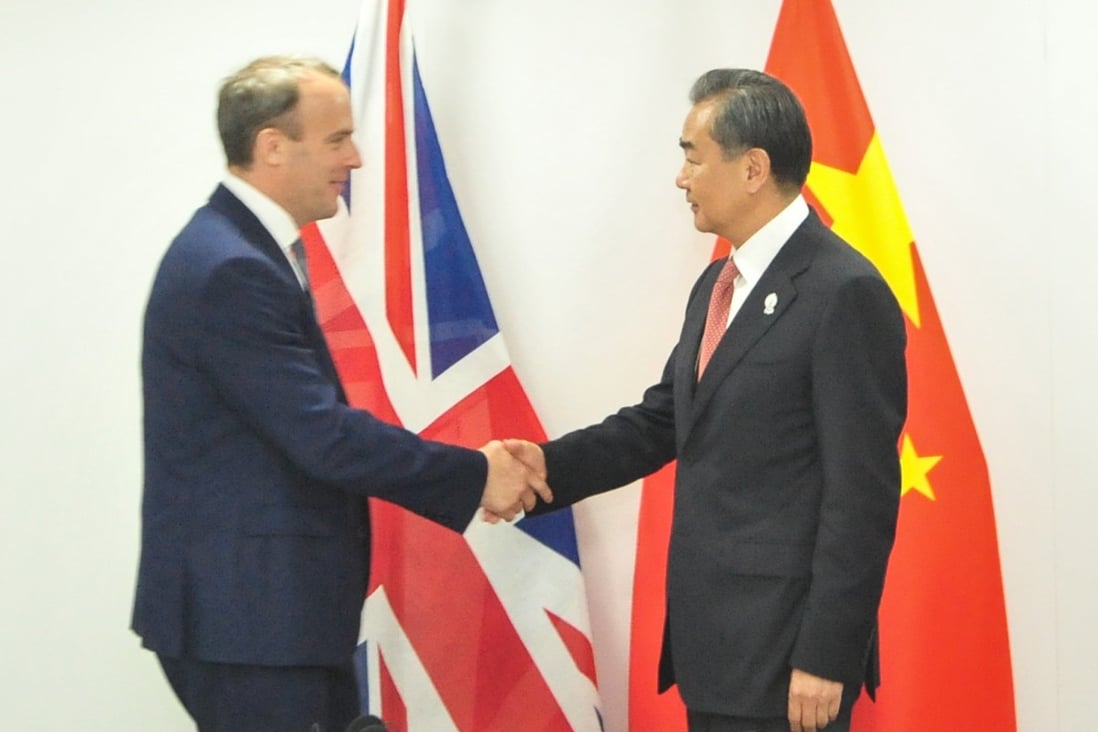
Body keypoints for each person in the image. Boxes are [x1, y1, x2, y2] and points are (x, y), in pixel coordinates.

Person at [131, 55, 550, 732]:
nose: (354, 159)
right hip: (252, 622)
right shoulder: (230, 268)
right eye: (337, 140)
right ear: (273, 146)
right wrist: (477, 476)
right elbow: (323, 436)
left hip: (272, 619)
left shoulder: (244, 251)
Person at [502, 68, 907, 732]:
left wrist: (827, 656)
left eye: (692, 156)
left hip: (788, 660)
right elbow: (664, 419)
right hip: (716, 651)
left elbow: (861, 497)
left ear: (753, 168)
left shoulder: (843, 292)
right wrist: (546, 468)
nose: (680, 177)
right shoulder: (718, 283)